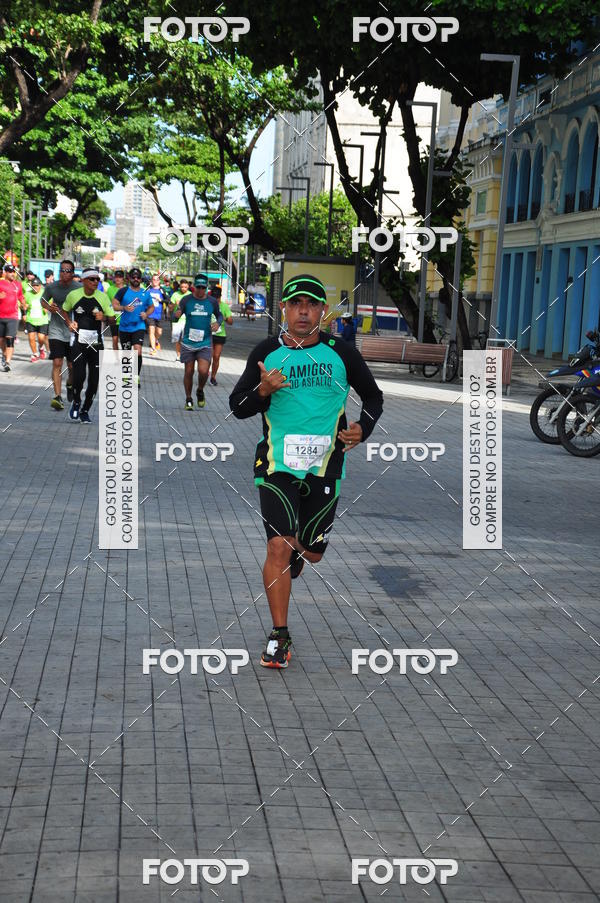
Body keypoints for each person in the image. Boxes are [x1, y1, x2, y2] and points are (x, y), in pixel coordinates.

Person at [229, 274, 383, 669]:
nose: (302, 311)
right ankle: (279, 635)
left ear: (322, 312)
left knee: (311, 553)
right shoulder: (267, 352)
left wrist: (362, 429)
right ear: (283, 309)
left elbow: (373, 396)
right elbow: (239, 406)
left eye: (311, 304)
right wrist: (262, 391)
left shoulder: (342, 353)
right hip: (276, 464)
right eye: (295, 304)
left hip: (325, 465)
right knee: (277, 546)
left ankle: (299, 551)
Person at [62, 267, 116, 423]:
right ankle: (77, 401)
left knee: (94, 380)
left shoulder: (103, 297)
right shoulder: (74, 295)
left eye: (97, 279)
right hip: (79, 343)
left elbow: (113, 320)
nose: (95, 282)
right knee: (79, 376)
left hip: (96, 344)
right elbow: (64, 310)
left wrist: (104, 317)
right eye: (92, 279)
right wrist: (69, 323)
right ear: (84, 281)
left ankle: (85, 410)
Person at [174, 273, 221, 410]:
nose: (200, 290)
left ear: (206, 288)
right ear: (193, 286)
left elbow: (220, 315)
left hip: (205, 343)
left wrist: (217, 323)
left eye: (203, 288)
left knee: (203, 371)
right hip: (188, 342)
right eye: (198, 287)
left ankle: (200, 390)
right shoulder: (186, 300)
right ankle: (188, 399)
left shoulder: (212, 301)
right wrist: (175, 315)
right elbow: (175, 315)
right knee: (188, 372)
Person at [41, 259, 77, 410]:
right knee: (57, 362)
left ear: (73, 273)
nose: (64, 273)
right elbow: (42, 300)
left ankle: (70, 384)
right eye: (62, 270)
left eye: (68, 271)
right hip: (56, 330)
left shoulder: (78, 287)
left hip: (72, 331)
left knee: (72, 366)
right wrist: (49, 307)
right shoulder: (52, 287)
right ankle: (57, 396)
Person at [111, 266, 154, 387]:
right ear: (129, 278)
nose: (136, 279)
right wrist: (124, 308)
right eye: (133, 277)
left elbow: (151, 307)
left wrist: (146, 314)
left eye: (138, 277)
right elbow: (114, 305)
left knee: (137, 351)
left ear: (141, 279)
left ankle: (136, 376)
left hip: (139, 327)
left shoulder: (145, 292)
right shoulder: (123, 291)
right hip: (124, 327)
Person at [0, 263, 25, 372]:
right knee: (1, 340)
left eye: (13, 271)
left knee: (10, 339)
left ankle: (8, 362)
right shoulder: (0, 283)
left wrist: (23, 304)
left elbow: (20, 296)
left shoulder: (18, 285)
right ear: (5, 272)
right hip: (0, 316)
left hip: (13, 316)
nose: (12, 274)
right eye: (10, 271)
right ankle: (4, 355)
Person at [209, 285, 233, 386]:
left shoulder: (224, 306)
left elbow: (231, 322)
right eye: (214, 297)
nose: (216, 299)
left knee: (216, 356)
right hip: (208, 333)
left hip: (220, 334)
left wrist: (225, 318)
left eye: (217, 297)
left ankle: (213, 377)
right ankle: (205, 372)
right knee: (207, 356)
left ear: (220, 296)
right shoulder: (208, 305)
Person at [23, 277, 49, 361]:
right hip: (31, 319)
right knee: (31, 338)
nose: (35, 287)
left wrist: (47, 307)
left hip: (42, 320)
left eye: (37, 285)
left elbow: (51, 301)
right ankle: (35, 354)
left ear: (40, 286)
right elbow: (22, 303)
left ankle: (41, 348)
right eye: (33, 285)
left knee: (41, 338)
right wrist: (24, 306)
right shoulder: (27, 293)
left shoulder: (44, 293)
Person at [169, 277, 190, 362]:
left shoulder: (191, 295)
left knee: (185, 338)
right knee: (177, 339)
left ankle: (185, 354)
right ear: (179, 286)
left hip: (187, 320)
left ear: (188, 286)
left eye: (185, 287)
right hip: (177, 320)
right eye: (182, 287)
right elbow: (170, 308)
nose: (183, 289)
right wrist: (175, 305)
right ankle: (178, 355)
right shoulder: (175, 294)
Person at [105, 269, 126, 351]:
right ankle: (116, 360)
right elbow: (107, 303)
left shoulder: (127, 289)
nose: (118, 279)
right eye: (116, 277)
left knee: (125, 342)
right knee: (114, 340)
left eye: (120, 277)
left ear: (123, 279)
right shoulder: (110, 289)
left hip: (125, 320)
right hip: (114, 319)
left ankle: (125, 361)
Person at [147, 273, 166, 355]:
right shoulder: (148, 290)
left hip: (159, 314)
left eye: (157, 280)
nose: (155, 281)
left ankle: (156, 340)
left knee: (159, 332)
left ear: (159, 281)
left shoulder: (162, 290)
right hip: (150, 314)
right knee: (151, 331)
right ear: (151, 281)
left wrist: (160, 300)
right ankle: (153, 348)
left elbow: (168, 301)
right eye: (154, 279)